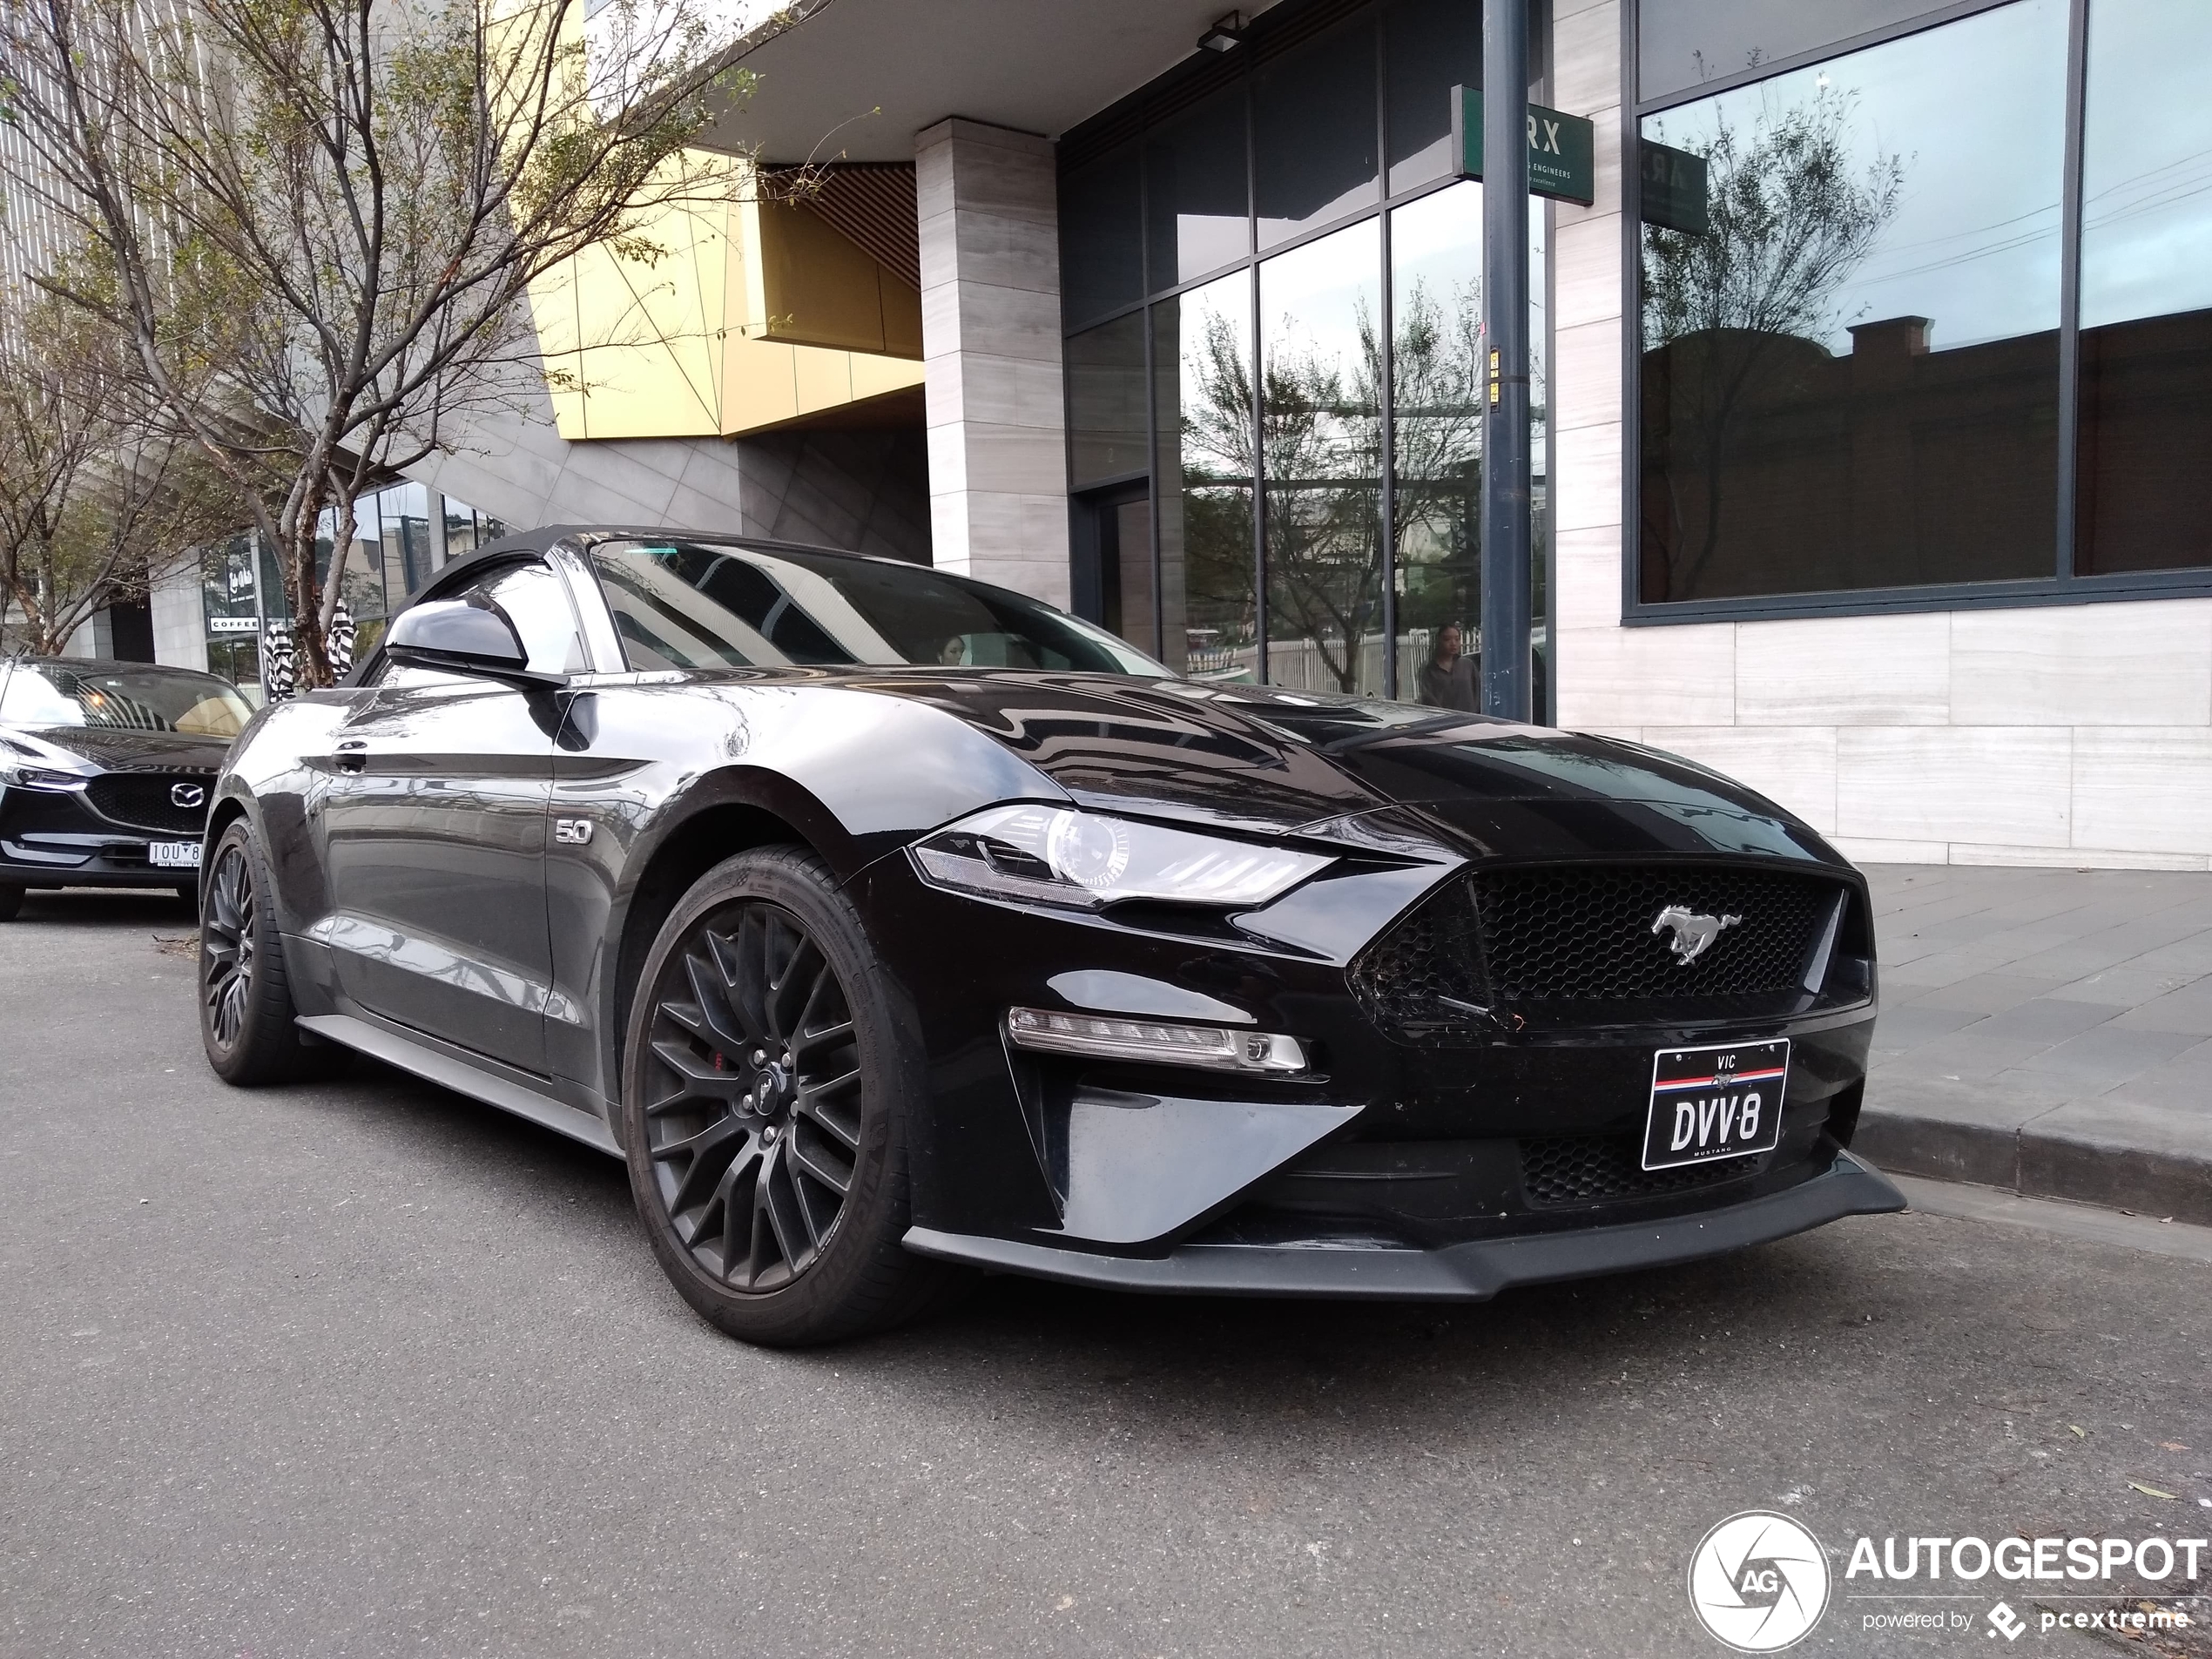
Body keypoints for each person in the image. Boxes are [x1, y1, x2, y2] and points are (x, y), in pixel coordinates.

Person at [1416, 622, 1479, 711]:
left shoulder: (1467, 665)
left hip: (1469, 720)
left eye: (1457, 639)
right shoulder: (1429, 669)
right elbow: (1428, 699)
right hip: (1443, 720)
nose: (1453, 643)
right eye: (1447, 639)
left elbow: (1478, 694)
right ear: (1438, 641)